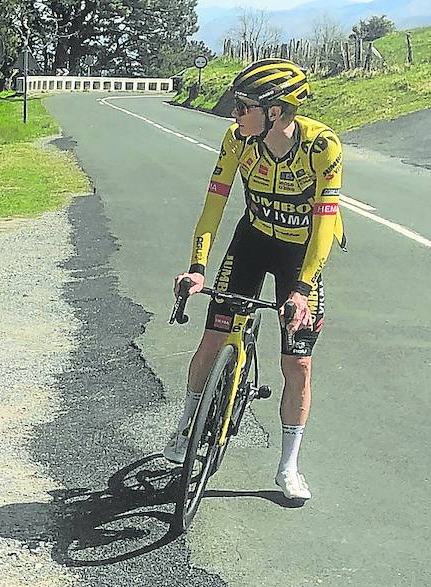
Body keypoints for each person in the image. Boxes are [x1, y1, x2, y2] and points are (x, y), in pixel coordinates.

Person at [165, 58, 344, 502]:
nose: (235, 113)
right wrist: (197, 267)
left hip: (300, 253)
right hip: (253, 239)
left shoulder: (322, 147)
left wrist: (302, 290)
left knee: (297, 364)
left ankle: (289, 465)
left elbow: (325, 223)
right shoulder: (237, 140)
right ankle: (187, 425)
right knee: (213, 338)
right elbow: (214, 203)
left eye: (244, 106)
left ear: (275, 112)